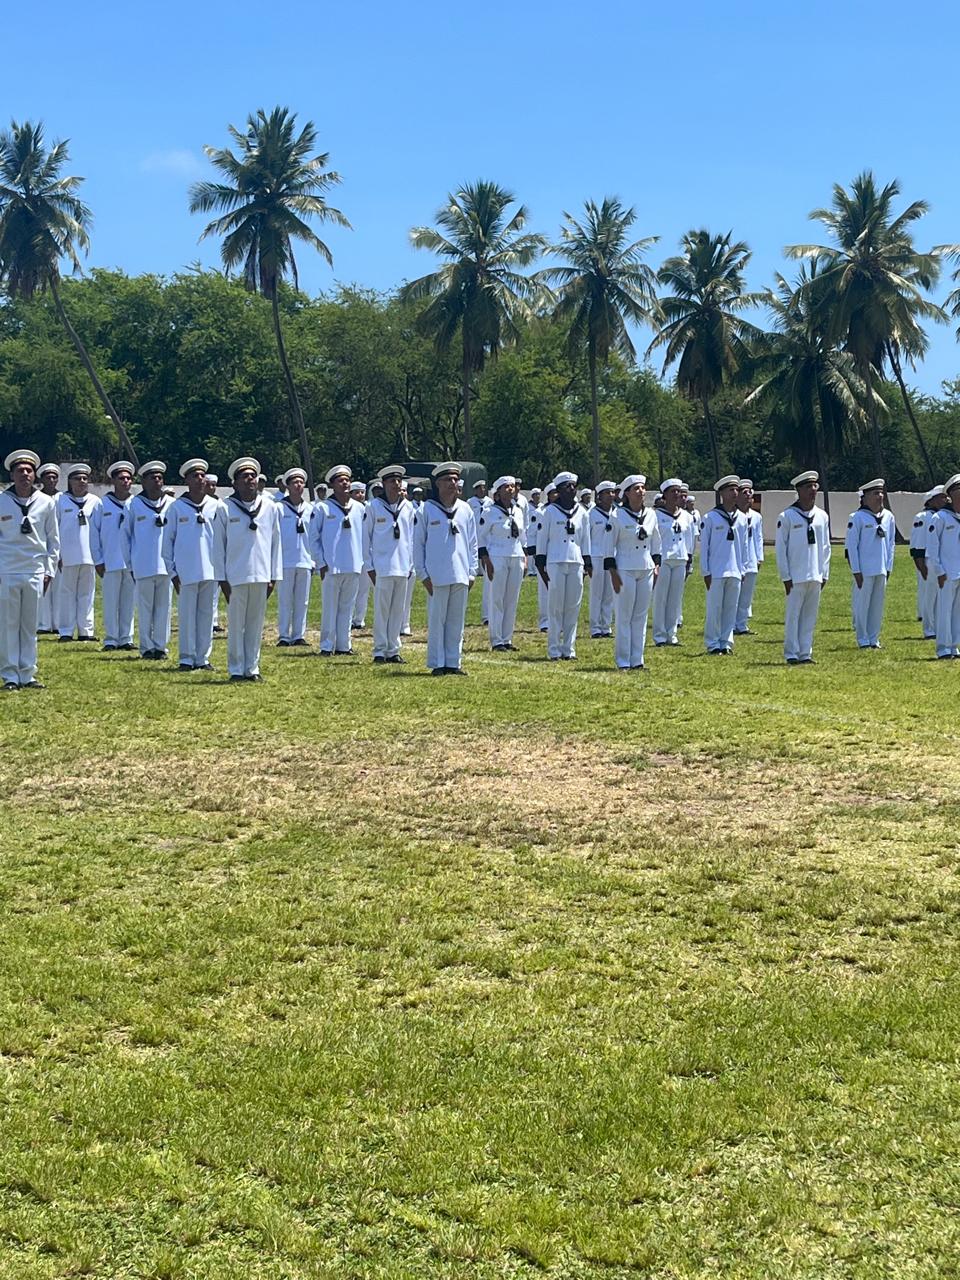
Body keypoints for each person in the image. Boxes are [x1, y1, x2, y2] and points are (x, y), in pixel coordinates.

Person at [214, 456, 282, 681]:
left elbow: (276, 543)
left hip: (261, 574)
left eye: (253, 476)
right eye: (244, 476)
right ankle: (236, 668)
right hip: (235, 575)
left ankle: (252, 668)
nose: (250, 479)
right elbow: (218, 546)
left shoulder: (270, 506)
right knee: (236, 625)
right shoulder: (224, 507)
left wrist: (274, 575)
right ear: (234, 483)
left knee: (255, 624)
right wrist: (221, 579)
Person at [0, 449, 59, 689]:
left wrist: (49, 571)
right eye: (20, 471)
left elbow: (53, 540)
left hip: (35, 570)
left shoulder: (46, 502)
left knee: (30, 625)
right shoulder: (2, 501)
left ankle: (27, 673)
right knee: (8, 625)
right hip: (7, 570)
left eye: (29, 470)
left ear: (35, 475)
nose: (25, 474)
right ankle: (10, 675)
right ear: (12, 475)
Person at [413, 462, 478, 675]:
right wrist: (423, 574)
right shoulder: (426, 510)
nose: (452, 483)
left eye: (455, 479)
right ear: (438, 484)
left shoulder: (465, 509)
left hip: (460, 572)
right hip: (436, 575)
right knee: (437, 621)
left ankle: (453, 662)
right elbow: (418, 544)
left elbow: (472, 543)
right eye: (448, 480)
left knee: (456, 622)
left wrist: (472, 572)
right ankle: (437, 663)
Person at [163, 458, 220, 671]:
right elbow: (167, 542)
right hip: (185, 571)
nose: (200, 479)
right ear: (186, 480)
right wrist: (172, 571)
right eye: (195, 476)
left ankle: (203, 657)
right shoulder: (176, 507)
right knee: (187, 616)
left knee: (207, 616)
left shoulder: (216, 506)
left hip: (211, 569)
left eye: (202, 475)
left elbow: (224, 539)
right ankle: (186, 658)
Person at [775, 470, 831, 665]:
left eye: (815, 486)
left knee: (809, 616)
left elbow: (826, 547)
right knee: (793, 616)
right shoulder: (787, 516)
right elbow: (781, 549)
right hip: (796, 575)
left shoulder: (822, 516)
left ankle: (805, 652)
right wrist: (786, 576)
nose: (812, 490)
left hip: (815, 573)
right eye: (808, 487)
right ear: (798, 490)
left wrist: (824, 573)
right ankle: (791, 652)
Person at [535, 471, 592, 661]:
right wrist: (540, 563)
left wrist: (587, 562)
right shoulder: (549, 512)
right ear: (559, 490)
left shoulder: (582, 512)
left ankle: (569, 648)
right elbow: (542, 539)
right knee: (555, 607)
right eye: (567, 486)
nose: (571, 489)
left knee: (572, 606)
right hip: (556, 561)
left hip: (576, 561)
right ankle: (554, 648)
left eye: (573, 486)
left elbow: (585, 539)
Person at [607, 474, 660, 671]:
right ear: (627, 493)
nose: (641, 491)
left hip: (645, 567)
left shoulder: (651, 514)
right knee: (624, 615)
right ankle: (623, 660)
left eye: (643, 488)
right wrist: (613, 573)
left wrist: (657, 565)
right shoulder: (616, 515)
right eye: (636, 488)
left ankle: (637, 659)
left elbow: (656, 542)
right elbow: (608, 546)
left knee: (640, 615)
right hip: (624, 568)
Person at [364, 463, 416, 664]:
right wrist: (369, 566)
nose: (396, 484)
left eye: (398, 480)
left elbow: (411, 538)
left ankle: (393, 649)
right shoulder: (373, 506)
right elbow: (365, 539)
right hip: (382, 566)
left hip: (402, 566)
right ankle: (379, 650)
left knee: (397, 611)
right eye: (392, 481)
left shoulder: (408, 507)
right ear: (384, 484)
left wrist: (410, 564)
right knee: (382, 611)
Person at [310, 464, 364, 656]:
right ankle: (326, 645)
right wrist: (320, 562)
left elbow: (364, 537)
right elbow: (313, 537)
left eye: (347, 480)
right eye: (340, 481)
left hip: (353, 564)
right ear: (332, 484)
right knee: (330, 608)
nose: (345, 483)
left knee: (347, 608)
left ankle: (344, 645)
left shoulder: (359, 508)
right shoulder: (322, 508)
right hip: (331, 566)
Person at [124, 460, 174, 660]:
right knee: (145, 608)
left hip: (166, 565)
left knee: (164, 608)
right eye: (152, 478)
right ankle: (146, 647)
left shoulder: (171, 504)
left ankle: (161, 646)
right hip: (143, 563)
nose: (157, 481)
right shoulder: (133, 504)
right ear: (143, 482)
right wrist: (130, 564)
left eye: (160, 477)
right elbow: (126, 536)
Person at [845, 478, 896, 649]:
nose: (880, 496)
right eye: (875, 493)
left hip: (881, 568)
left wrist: (888, 567)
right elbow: (852, 547)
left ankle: (874, 638)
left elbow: (891, 544)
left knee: (877, 606)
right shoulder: (857, 517)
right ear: (865, 497)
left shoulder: (888, 517)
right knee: (862, 605)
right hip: (864, 570)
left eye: (881, 493)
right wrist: (856, 570)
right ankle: (863, 639)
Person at [478, 476, 525, 651]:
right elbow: (481, 537)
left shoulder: (518, 511)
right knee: (496, 598)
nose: (511, 489)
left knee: (512, 599)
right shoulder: (489, 512)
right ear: (497, 492)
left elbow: (523, 537)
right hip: (496, 556)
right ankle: (496, 639)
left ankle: (507, 638)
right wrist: (486, 560)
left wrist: (525, 557)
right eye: (506, 487)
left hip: (516, 555)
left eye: (512, 486)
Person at [92, 460, 135, 651]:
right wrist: (98, 559)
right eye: (121, 478)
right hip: (110, 560)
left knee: (128, 602)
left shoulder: (136, 503)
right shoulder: (102, 504)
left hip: (131, 562)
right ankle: (111, 638)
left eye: (128, 478)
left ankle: (126, 638)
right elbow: (94, 534)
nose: (126, 481)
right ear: (113, 481)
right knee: (110, 602)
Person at [56, 463, 101, 641]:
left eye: (85, 478)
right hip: (67, 555)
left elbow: (99, 529)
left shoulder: (95, 501)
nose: (82, 481)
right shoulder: (60, 500)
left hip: (89, 555)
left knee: (87, 594)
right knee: (66, 594)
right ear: (70, 481)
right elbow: (55, 529)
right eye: (77, 478)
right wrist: (58, 554)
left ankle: (86, 631)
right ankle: (66, 631)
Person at [700, 476, 744, 655]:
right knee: (714, 609)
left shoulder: (742, 518)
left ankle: (726, 642)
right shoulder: (710, 517)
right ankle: (712, 643)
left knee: (730, 609)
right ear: (722, 494)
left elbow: (744, 547)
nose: (734, 493)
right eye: (730, 490)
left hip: (735, 569)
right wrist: (706, 571)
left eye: (736, 490)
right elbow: (705, 547)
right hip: (716, 571)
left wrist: (743, 569)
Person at [275, 467, 314, 646]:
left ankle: (299, 634)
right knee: (285, 600)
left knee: (302, 601)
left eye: (301, 482)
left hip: (305, 559)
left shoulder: (310, 509)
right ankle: (284, 635)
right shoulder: (279, 508)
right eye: (294, 482)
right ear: (288, 486)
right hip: (285, 560)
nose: (298, 485)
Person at [652, 478, 692, 646]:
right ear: (665, 495)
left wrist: (689, 559)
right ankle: (660, 635)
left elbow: (689, 540)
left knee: (675, 599)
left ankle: (672, 634)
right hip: (664, 559)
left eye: (678, 491)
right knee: (661, 598)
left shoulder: (687, 516)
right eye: (672, 491)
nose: (676, 494)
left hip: (680, 559)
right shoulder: (656, 516)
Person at [925, 473, 960, 659]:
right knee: (944, 610)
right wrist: (939, 571)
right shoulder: (940, 518)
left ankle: (954, 646)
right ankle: (943, 648)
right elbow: (932, 548)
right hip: (946, 572)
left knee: (957, 612)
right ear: (950, 495)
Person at [911, 485, 946, 640]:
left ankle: (939, 626)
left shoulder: (945, 516)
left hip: (942, 560)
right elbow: (918, 542)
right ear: (931, 500)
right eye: (941, 497)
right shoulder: (923, 517)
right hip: (927, 560)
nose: (945, 500)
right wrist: (920, 564)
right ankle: (929, 629)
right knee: (929, 596)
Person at [734, 479, 764, 636]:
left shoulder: (756, 517)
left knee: (746, 595)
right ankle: (731, 623)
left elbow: (758, 538)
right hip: (737, 559)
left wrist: (759, 557)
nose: (748, 495)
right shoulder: (733, 515)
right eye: (744, 492)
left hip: (752, 559)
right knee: (734, 593)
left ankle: (742, 624)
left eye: (749, 492)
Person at [587, 482, 617, 638]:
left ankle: (606, 625)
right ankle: (595, 627)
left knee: (609, 593)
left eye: (612, 492)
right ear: (599, 496)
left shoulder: (617, 513)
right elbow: (587, 537)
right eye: (607, 493)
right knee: (597, 593)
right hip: (596, 556)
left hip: (611, 556)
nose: (611, 495)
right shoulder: (591, 514)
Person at [35, 463, 61, 633]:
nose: (51, 480)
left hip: (57, 546)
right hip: (40, 546)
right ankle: (43, 624)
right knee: (43, 585)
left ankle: (57, 623)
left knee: (59, 587)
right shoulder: (36, 498)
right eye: (48, 477)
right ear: (42, 479)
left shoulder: (63, 498)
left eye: (54, 477)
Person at [468, 480, 491, 625]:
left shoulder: (489, 502)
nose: (482, 490)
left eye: (483, 488)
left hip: (485, 536)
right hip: (474, 533)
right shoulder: (470, 502)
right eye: (479, 488)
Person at [350, 480, 372, 629]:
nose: (360, 495)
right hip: (353, 552)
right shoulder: (349, 509)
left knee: (364, 588)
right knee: (352, 588)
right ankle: (349, 617)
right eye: (357, 492)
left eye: (362, 492)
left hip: (366, 553)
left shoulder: (369, 509)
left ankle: (359, 619)